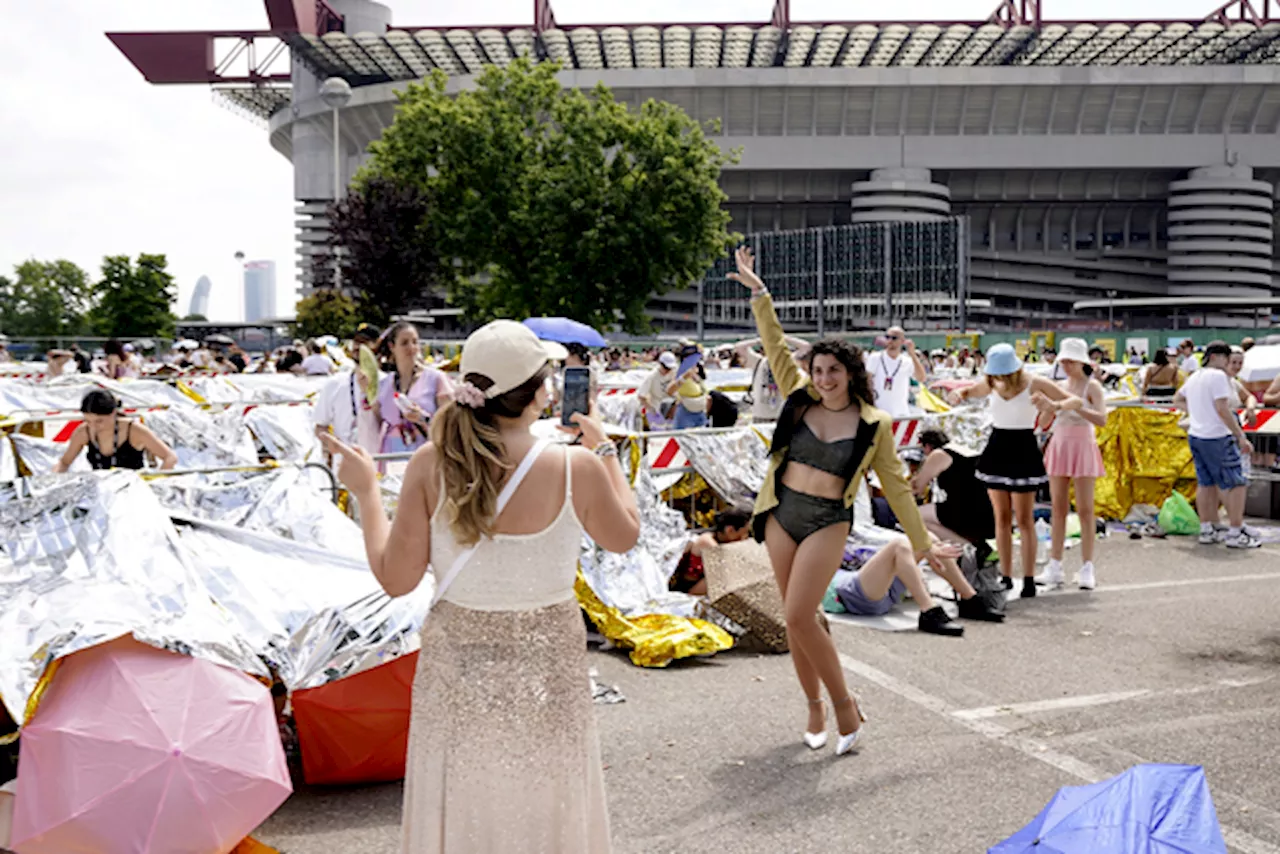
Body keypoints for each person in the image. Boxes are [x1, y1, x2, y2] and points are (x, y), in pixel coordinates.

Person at [320, 319, 639, 854]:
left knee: (465, 798)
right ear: (541, 391)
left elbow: (396, 579)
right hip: (548, 667)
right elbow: (624, 536)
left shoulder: (430, 463)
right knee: (549, 793)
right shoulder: (575, 466)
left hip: (458, 669)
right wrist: (606, 452)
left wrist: (367, 494)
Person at [728, 245, 959, 758]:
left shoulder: (873, 424)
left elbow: (897, 487)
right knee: (804, 620)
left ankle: (845, 705)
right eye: (819, 369)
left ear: (851, 374)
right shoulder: (798, 396)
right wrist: (760, 293)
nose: (824, 378)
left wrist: (923, 543)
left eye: (834, 371)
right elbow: (773, 345)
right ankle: (813, 707)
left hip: (828, 520)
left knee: (796, 616)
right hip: (782, 515)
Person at [948, 343, 1086, 598]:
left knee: (1024, 519)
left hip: (1023, 446)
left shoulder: (1035, 382)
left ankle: (1030, 577)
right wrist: (960, 393)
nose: (998, 376)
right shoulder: (991, 383)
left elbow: (1075, 400)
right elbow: (969, 391)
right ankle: (1007, 576)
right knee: (1000, 517)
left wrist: (1052, 406)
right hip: (998, 446)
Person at [1037, 338, 1108, 591]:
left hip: (1083, 444)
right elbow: (1045, 421)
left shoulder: (1093, 386)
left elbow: (1102, 419)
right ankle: (1054, 564)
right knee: (1057, 508)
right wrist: (1046, 406)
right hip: (1061, 443)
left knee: (1086, 510)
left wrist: (1077, 408)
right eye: (1063, 361)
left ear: (1082, 361)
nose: (1065, 365)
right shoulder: (1058, 385)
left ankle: (1087, 566)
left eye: (1070, 360)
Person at [1173, 342, 1258, 549]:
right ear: (1215, 357)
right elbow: (1222, 408)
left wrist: (1197, 413)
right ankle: (1235, 531)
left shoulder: (1195, 376)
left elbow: (1177, 399)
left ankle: (1207, 528)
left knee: (1206, 483)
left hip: (1197, 434)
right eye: (1227, 358)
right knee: (1236, 483)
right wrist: (1240, 436)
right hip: (1218, 436)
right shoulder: (1219, 377)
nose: (1229, 363)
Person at [375, 321, 454, 455]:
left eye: (415, 342)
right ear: (392, 346)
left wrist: (423, 418)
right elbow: (374, 423)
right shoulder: (384, 384)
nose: (411, 347)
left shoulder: (435, 379)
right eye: (404, 343)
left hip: (426, 450)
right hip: (391, 451)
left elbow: (451, 420)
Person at [54, 390, 177, 472]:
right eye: (88, 421)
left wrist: (157, 482)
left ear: (113, 413)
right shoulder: (83, 432)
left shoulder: (134, 430)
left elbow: (169, 457)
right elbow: (65, 462)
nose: (94, 426)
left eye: (99, 421)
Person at [315, 326, 382, 467]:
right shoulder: (334, 383)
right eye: (356, 342)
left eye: (365, 342)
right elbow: (321, 426)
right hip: (344, 464)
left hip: (377, 463)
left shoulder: (388, 383)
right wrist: (330, 447)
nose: (358, 347)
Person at [670, 508, 753, 595]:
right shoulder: (706, 540)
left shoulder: (724, 544)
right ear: (730, 531)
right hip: (686, 588)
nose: (745, 538)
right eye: (745, 533)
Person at [734, 333, 811, 423]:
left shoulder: (788, 361)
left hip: (782, 414)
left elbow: (807, 347)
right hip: (760, 415)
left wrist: (782, 338)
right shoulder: (757, 361)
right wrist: (760, 340)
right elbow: (739, 347)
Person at [865, 326, 927, 418]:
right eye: (887, 337)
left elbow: (921, 378)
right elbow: (867, 381)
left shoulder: (907, 361)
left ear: (902, 341)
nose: (890, 340)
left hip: (900, 413)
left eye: (894, 338)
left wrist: (913, 355)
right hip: (878, 412)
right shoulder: (875, 357)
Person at [665, 344, 709, 430]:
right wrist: (684, 377)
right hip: (686, 411)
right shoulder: (679, 372)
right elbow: (670, 390)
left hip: (700, 411)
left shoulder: (698, 370)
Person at [637, 352, 677, 427]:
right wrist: (652, 411)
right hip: (656, 409)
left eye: (670, 368)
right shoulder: (651, 376)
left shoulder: (674, 373)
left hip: (671, 410)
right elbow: (641, 396)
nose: (667, 370)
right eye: (666, 368)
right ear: (660, 364)